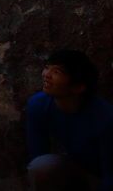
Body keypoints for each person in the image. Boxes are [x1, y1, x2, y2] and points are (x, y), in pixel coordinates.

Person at [26, 49, 113, 190]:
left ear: (78, 87)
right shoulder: (38, 105)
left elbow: (110, 174)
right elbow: (37, 155)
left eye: (57, 72)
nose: (46, 75)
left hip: (101, 177)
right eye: (47, 68)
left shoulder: (105, 118)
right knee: (40, 166)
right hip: (75, 171)